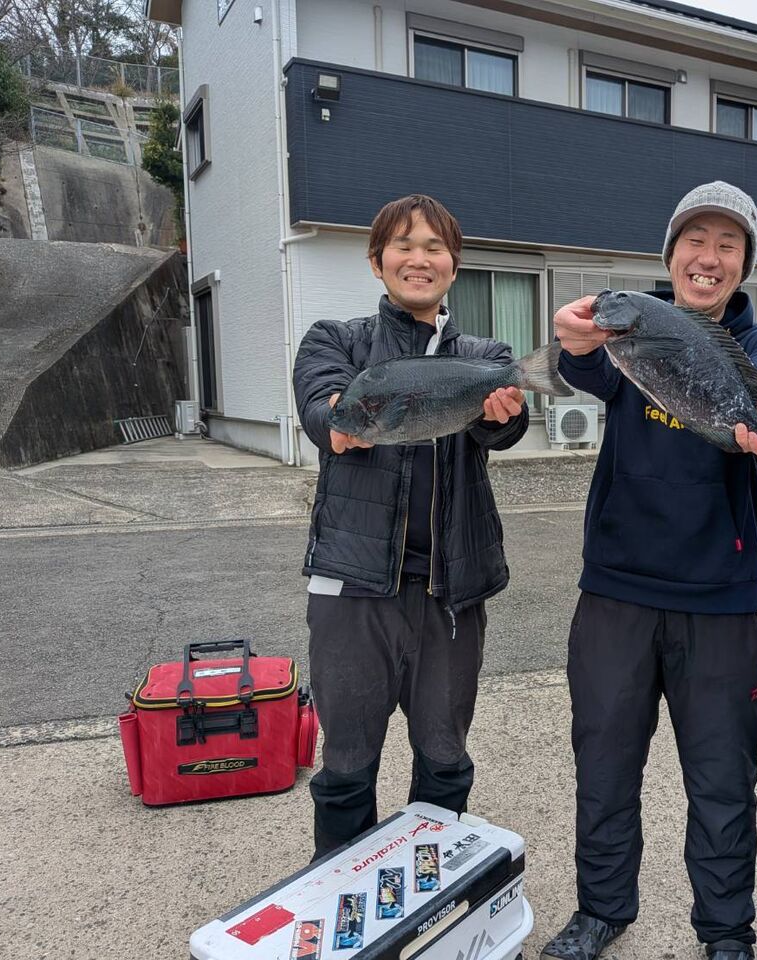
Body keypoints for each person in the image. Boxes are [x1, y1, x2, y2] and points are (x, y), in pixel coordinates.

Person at [540, 182, 757, 960]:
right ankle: (602, 910)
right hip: (615, 591)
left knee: (722, 782)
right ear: (672, 253)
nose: (708, 258)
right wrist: (574, 340)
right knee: (604, 767)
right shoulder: (633, 324)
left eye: (727, 245)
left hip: (721, 598)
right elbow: (583, 367)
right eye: (696, 240)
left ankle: (725, 932)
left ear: (744, 263)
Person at [292, 194, 529, 861]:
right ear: (377, 261)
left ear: (454, 265)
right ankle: (342, 887)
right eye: (403, 245)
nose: (418, 259)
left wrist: (505, 414)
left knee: (445, 756)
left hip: (451, 590)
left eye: (434, 247)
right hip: (352, 587)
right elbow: (323, 411)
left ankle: (430, 887)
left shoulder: (484, 354)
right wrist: (343, 422)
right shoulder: (336, 341)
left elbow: (501, 431)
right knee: (346, 762)